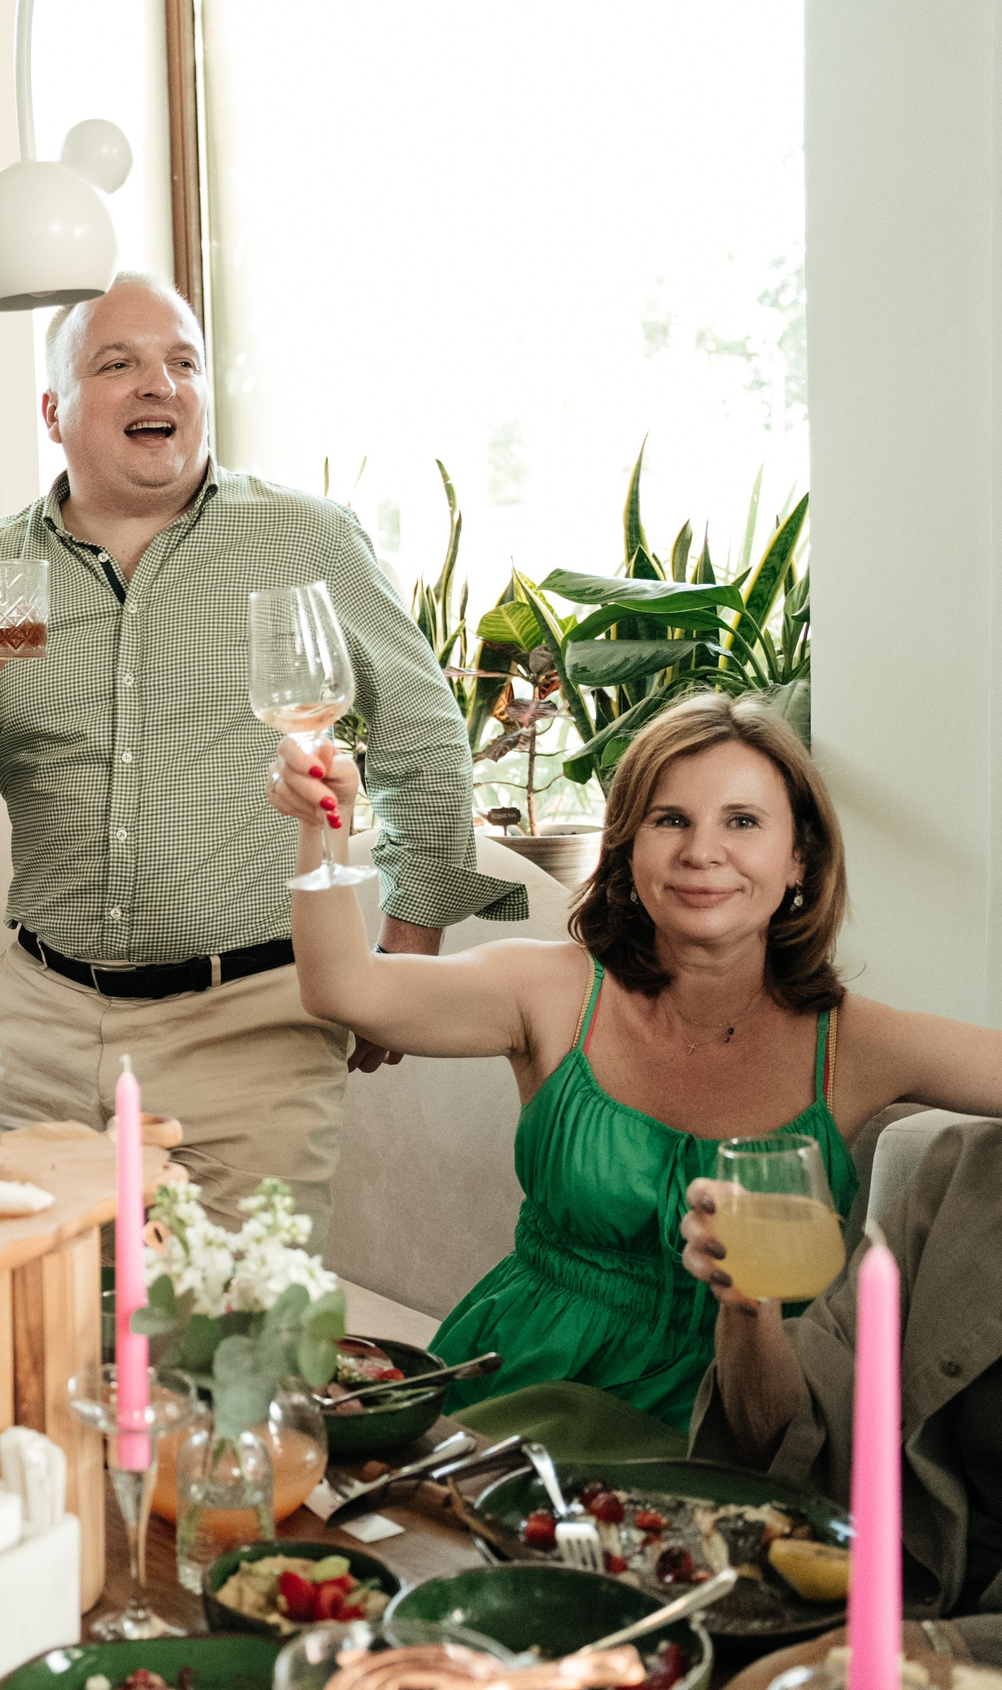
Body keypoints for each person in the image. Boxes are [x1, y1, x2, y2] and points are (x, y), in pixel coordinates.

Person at [0, 272, 509, 1222]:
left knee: (243, 1347)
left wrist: (403, 953)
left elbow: (422, 736)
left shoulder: (305, 541)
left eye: (182, 363)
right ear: (54, 410)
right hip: (49, 1029)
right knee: (59, 1333)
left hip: (256, 1025)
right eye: (117, 364)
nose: (158, 385)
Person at [270, 690, 1002, 1436]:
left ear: (799, 860)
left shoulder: (858, 1042)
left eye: (742, 822)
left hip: (728, 1425)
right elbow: (344, 987)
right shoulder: (553, 990)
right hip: (510, 1399)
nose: (701, 852)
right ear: (627, 846)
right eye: (670, 819)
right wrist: (319, 829)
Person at [683, 1122, 1002, 1662]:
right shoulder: (967, 1174)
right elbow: (806, 1428)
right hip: (858, 1606)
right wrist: (746, 1304)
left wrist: (931, 1648)